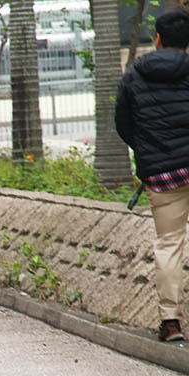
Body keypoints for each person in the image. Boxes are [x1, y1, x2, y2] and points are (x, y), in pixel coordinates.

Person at [116, 9, 189, 342]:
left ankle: (171, 322)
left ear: (157, 39)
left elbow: (124, 125)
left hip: (163, 176)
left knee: (169, 245)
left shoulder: (133, 75)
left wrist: (148, 151)